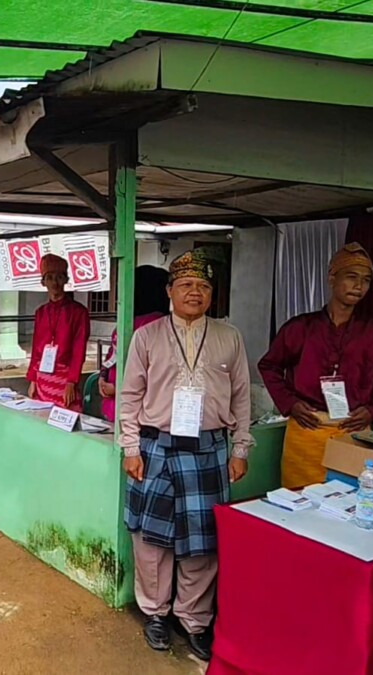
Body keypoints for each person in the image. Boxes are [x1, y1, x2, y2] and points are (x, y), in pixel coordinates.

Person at [119, 249, 252, 662]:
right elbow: (130, 396)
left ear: (213, 294)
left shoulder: (230, 337)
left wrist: (241, 446)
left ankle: (194, 620)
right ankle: (155, 614)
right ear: (169, 291)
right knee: (151, 541)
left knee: (202, 544)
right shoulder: (147, 336)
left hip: (209, 449)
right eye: (186, 285)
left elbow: (243, 396)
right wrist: (129, 446)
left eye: (204, 286)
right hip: (155, 445)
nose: (195, 292)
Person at [258, 244, 373, 487]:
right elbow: (269, 366)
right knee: (301, 505)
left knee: (351, 503)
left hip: (353, 431)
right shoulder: (300, 328)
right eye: (351, 277)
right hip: (306, 431)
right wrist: (290, 404)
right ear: (332, 278)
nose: (358, 286)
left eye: (366, 280)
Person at [98, 266, 170, 422]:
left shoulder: (155, 324)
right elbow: (112, 353)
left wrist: (117, 388)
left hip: (136, 411)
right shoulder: (128, 320)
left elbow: (152, 369)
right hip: (115, 404)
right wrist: (102, 377)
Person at [27, 254, 90, 411]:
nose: (54, 283)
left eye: (59, 277)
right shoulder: (40, 312)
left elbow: (79, 349)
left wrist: (71, 382)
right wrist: (33, 379)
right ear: (43, 282)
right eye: (50, 278)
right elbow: (36, 349)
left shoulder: (79, 312)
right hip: (43, 376)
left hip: (65, 377)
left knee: (66, 417)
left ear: (66, 280)